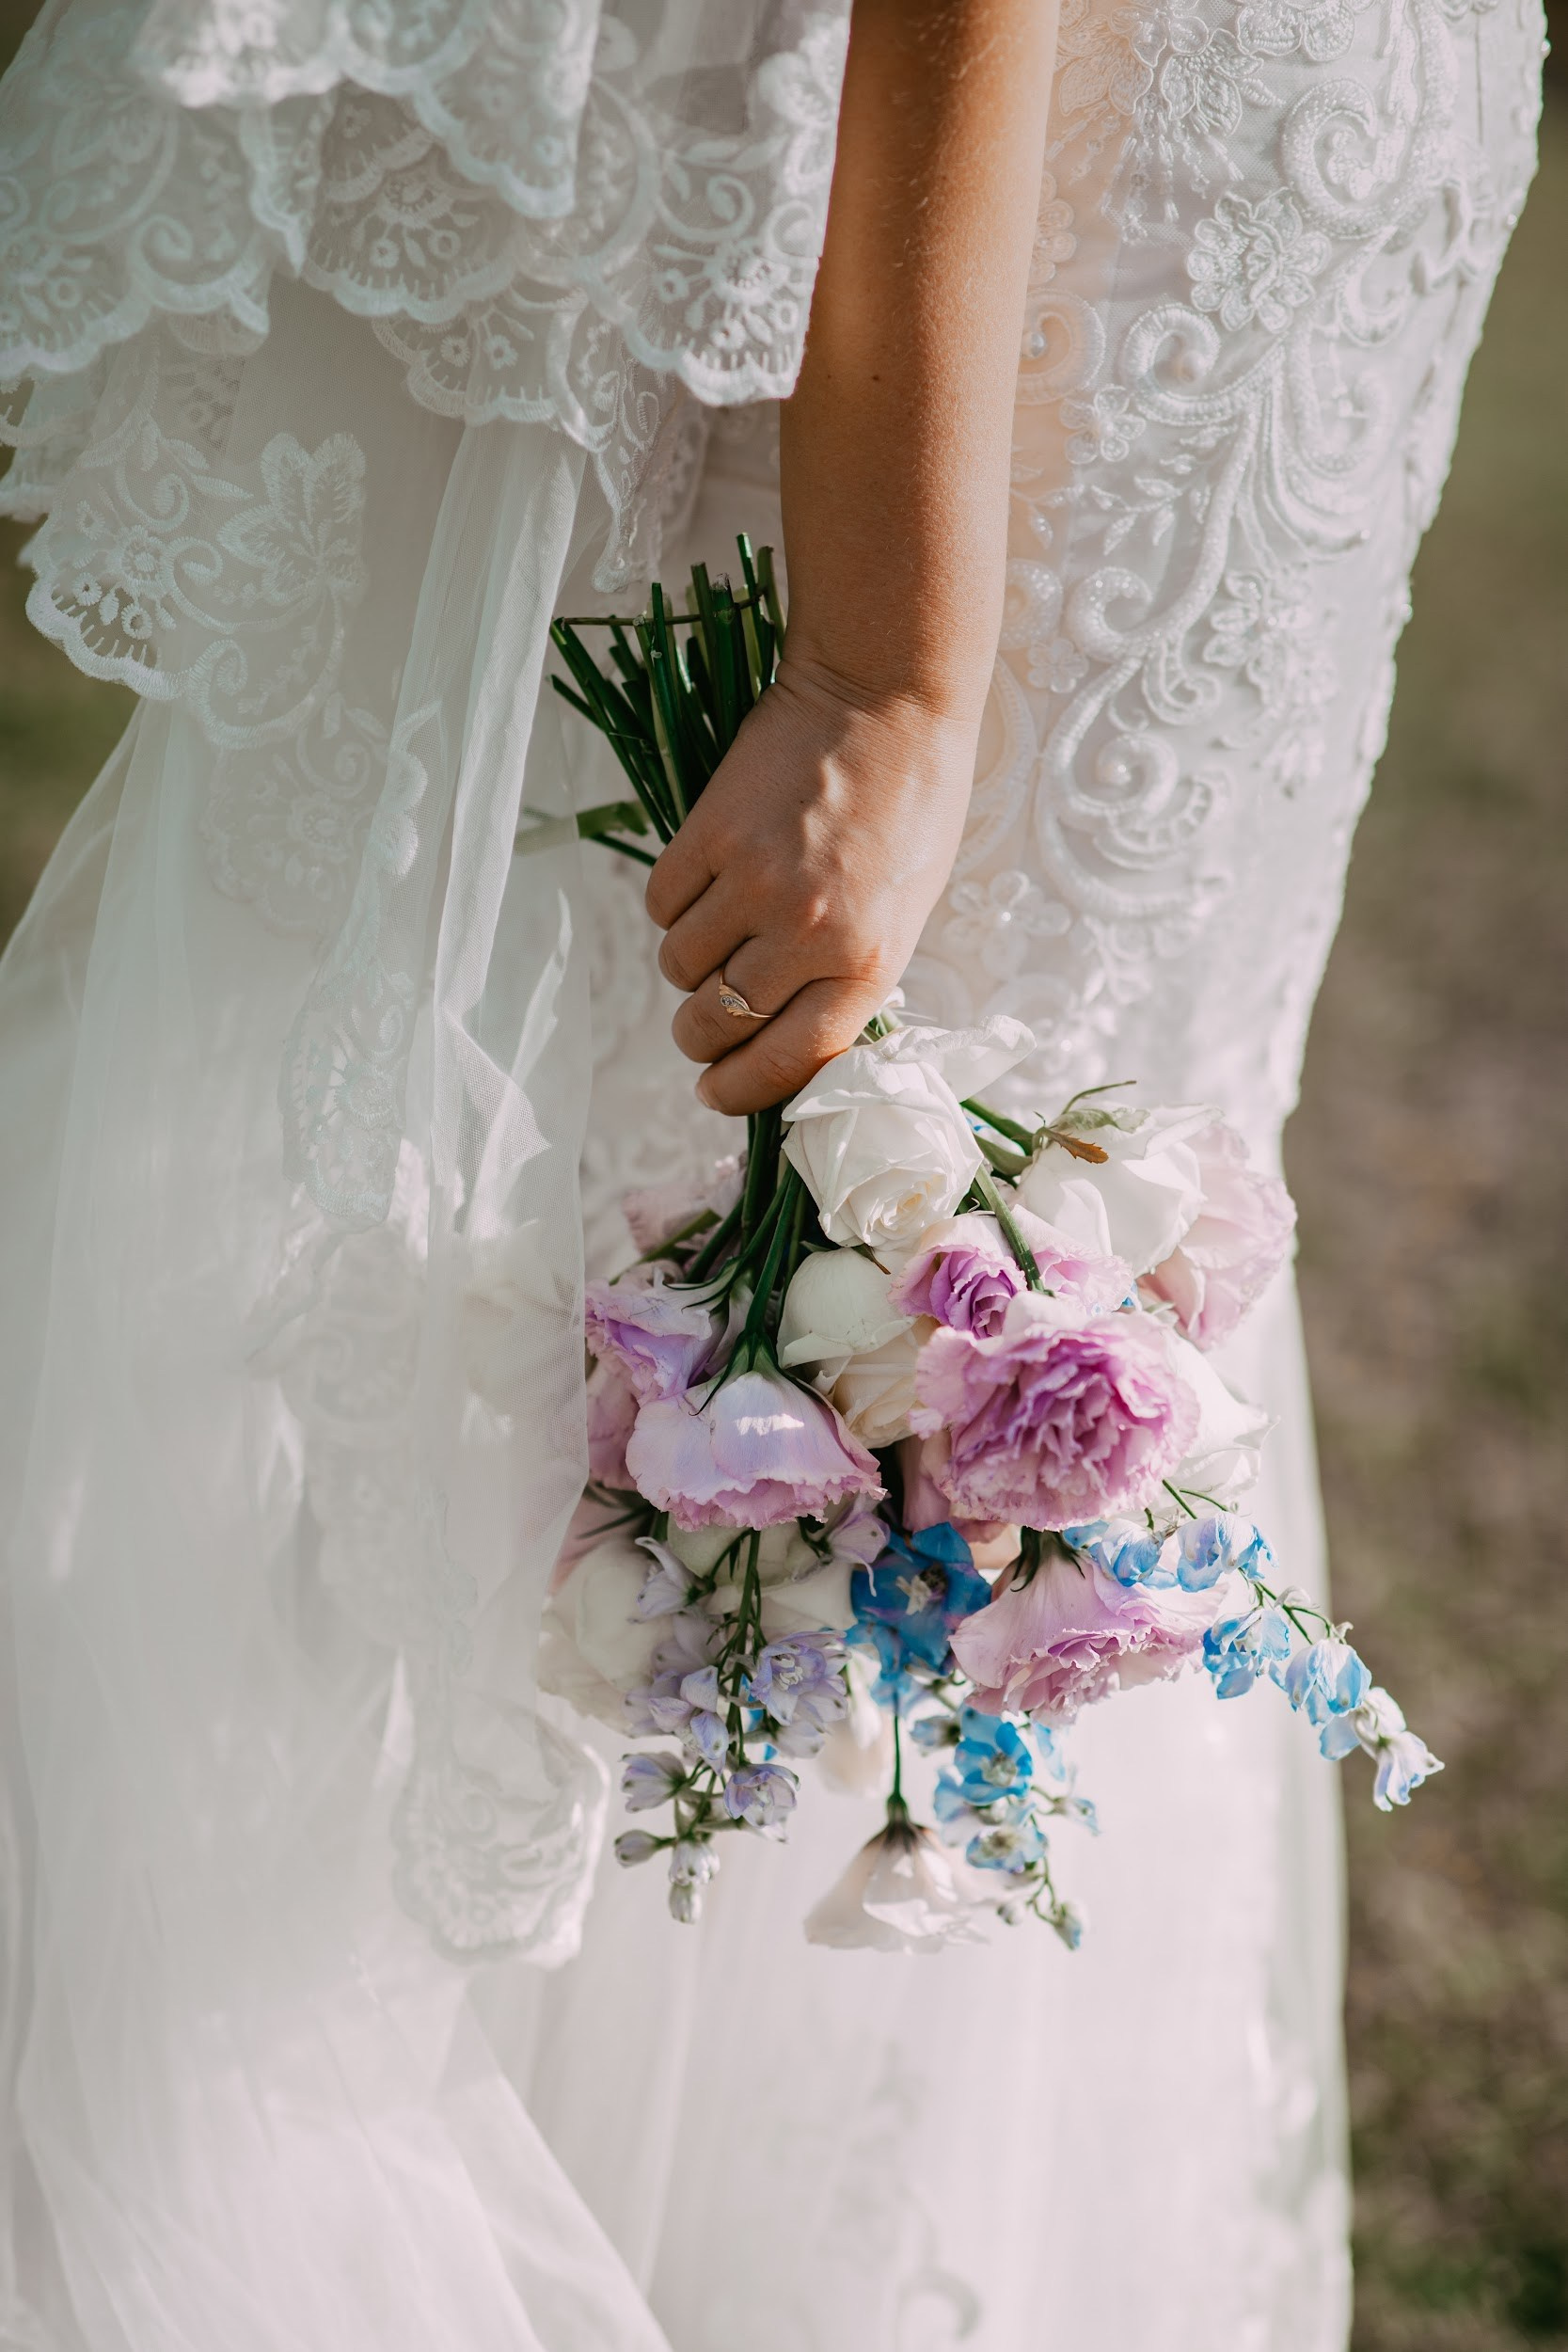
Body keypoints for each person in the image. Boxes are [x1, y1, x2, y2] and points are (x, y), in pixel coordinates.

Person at [0, 0, 1542, 2346]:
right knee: (660, 1166)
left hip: (1269, 177)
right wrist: (888, 656)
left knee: (1064, 1202)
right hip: (973, 173)